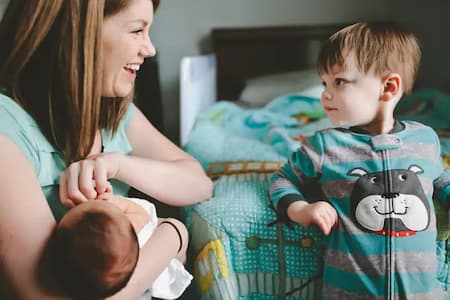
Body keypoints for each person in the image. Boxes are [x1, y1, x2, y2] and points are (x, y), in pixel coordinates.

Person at [0, 0, 213, 299]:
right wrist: (173, 234)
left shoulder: (114, 113)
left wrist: (115, 164)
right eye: (137, 30)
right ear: (76, 33)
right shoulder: (6, 129)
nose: (149, 49)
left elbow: (199, 184)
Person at [270, 22, 450, 299]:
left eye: (339, 81)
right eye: (324, 83)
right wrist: (299, 209)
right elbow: (282, 179)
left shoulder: (425, 139)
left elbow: (440, 179)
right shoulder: (325, 145)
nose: (325, 94)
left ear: (388, 87)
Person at [51, 183, 192, 299]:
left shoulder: (74, 276)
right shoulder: (126, 232)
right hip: (163, 267)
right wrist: (114, 202)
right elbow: (142, 215)